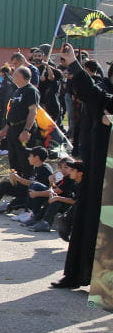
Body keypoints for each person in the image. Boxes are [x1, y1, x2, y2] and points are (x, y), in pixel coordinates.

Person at [52, 42, 113, 289]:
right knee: (88, 221)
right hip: (98, 171)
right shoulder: (105, 92)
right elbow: (93, 94)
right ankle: (78, 275)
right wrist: (73, 64)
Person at [0, 147, 52, 214]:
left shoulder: (45, 168)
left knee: (16, 202)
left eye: (30, 156)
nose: (28, 158)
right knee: (4, 185)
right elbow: (27, 182)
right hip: (27, 191)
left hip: (37, 195)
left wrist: (18, 178)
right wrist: (14, 179)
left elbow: (36, 184)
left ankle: (9, 206)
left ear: (37, 158)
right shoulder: (35, 167)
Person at [0, 66, 39, 177]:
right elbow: (12, 112)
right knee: (13, 159)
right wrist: (6, 128)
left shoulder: (31, 91)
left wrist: (26, 130)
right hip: (12, 129)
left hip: (23, 128)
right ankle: (15, 182)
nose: (13, 76)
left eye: (16, 74)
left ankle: (25, 182)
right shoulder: (17, 91)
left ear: (23, 76)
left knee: (24, 159)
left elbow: (33, 112)